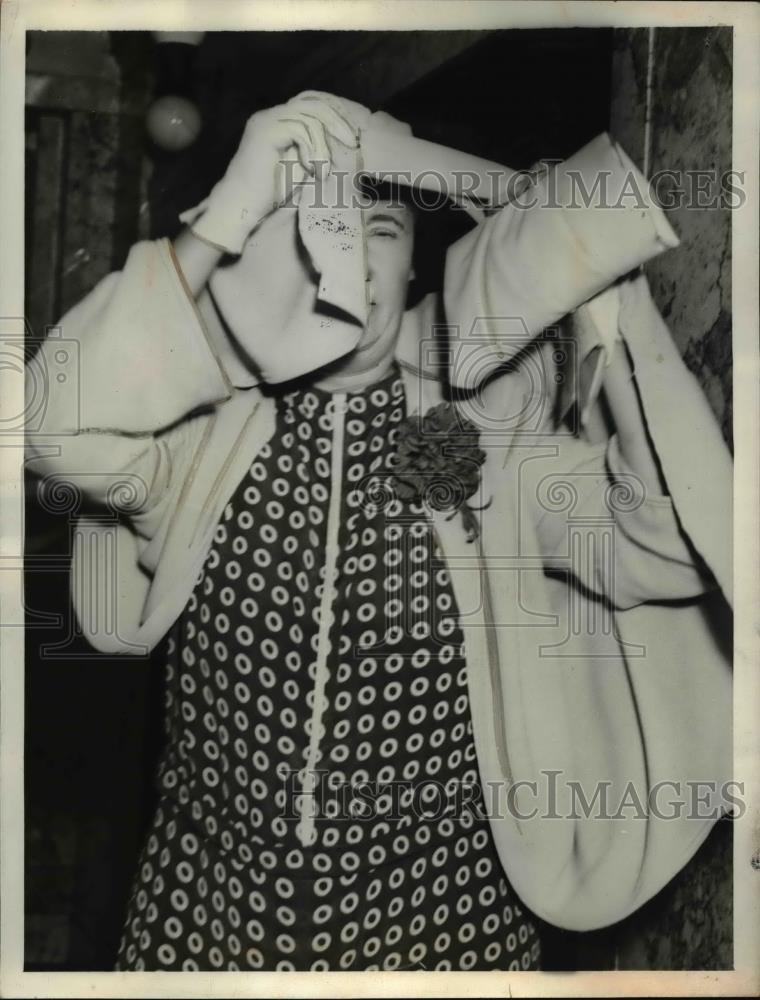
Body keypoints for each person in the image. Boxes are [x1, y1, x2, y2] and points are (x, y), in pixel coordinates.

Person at [26, 92, 733, 972]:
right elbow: (44, 426)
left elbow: (666, 545)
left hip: (445, 937)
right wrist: (224, 219)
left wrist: (608, 321)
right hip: (203, 935)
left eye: (385, 230)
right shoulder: (203, 439)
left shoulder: (473, 448)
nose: (351, 256)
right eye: (319, 224)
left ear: (415, 271)